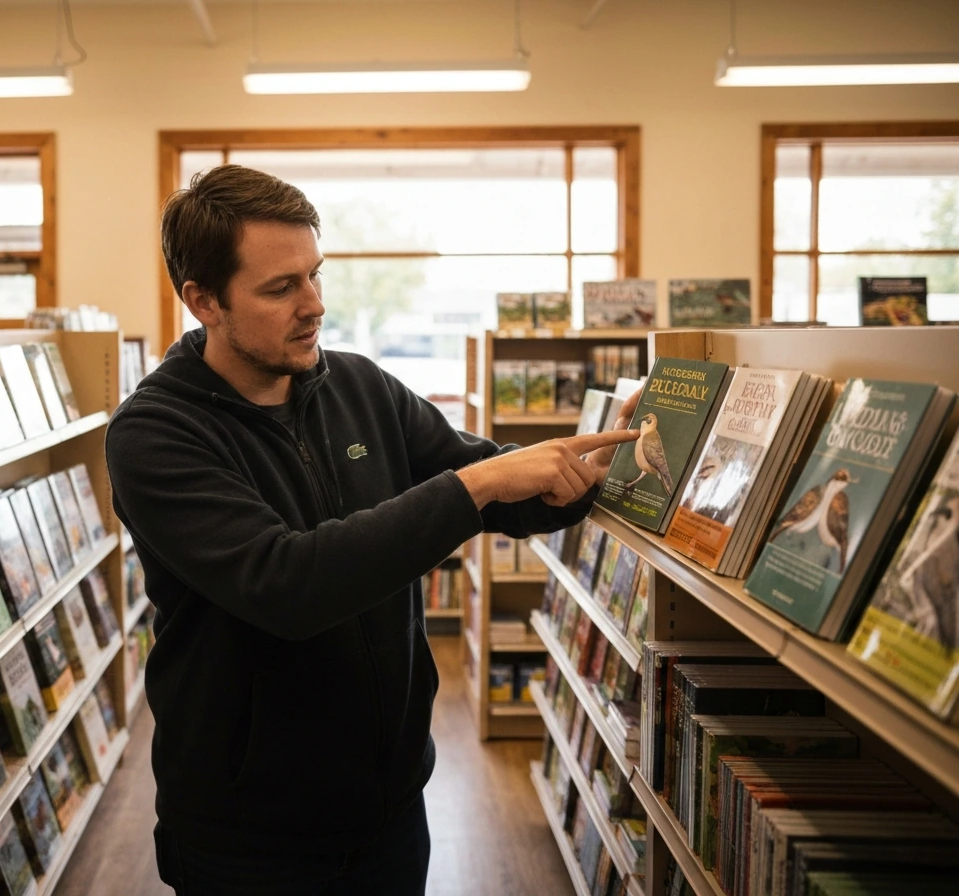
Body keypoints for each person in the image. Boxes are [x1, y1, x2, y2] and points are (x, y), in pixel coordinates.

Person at [105, 164, 640, 896]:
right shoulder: (154, 434)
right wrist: (477, 484)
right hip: (249, 838)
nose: (314, 305)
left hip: (389, 811)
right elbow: (288, 582)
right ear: (203, 301)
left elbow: (498, 491)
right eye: (280, 288)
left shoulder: (359, 385)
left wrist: (588, 471)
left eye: (315, 276)